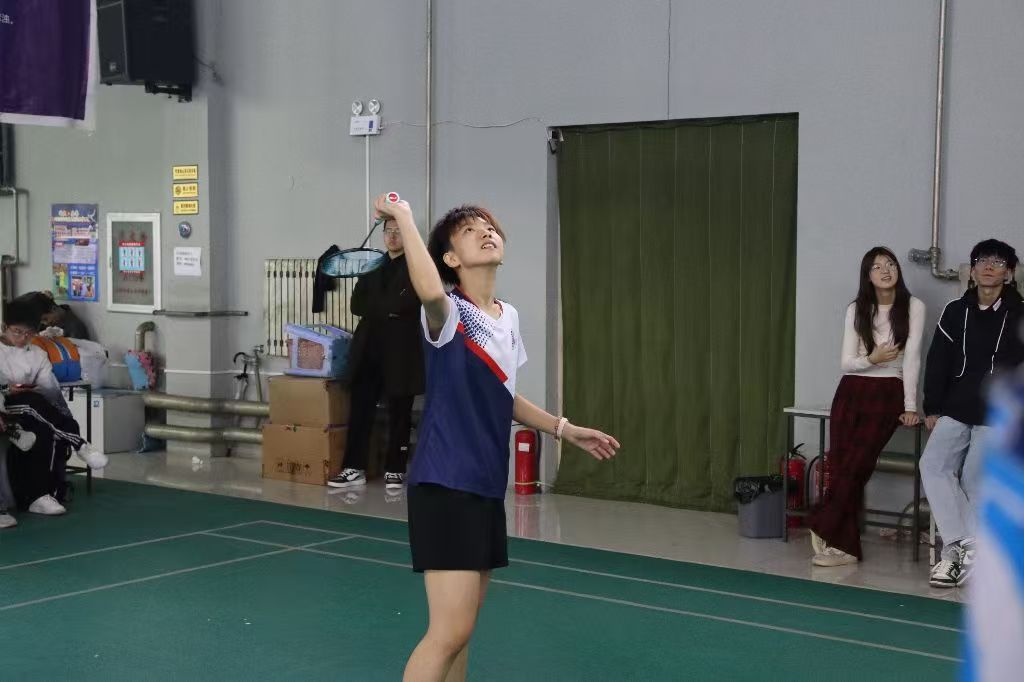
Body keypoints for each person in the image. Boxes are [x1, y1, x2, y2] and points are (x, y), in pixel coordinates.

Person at [371, 195, 619, 682]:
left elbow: (504, 393)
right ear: (451, 258)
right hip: (446, 483)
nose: (485, 231)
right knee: (447, 633)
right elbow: (428, 289)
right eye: (469, 230)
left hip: (484, 485)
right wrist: (404, 217)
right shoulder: (448, 313)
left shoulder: (508, 317)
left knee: (462, 633)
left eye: (488, 226)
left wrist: (564, 429)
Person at [807, 247, 925, 566]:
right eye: (877, 267)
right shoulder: (857, 308)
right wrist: (871, 359)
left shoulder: (913, 306)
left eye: (891, 264)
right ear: (867, 276)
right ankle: (845, 547)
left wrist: (910, 405)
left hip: (888, 391)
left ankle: (822, 520)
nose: (885, 270)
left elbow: (912, 360)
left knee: (858, 466)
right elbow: (846, 363)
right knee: (842, 466)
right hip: (850, 390)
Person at [921, 239, 1023, 588]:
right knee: (932, 465)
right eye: (982, 260)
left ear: (1009, 272)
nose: (989, 266)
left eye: (998, 262)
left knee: (973, 480)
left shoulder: (1020, 314)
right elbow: (938, 360)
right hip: (955, 407)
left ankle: (955, 558)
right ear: (973, 269)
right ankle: (970, 546)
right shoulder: (955, 310)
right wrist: (933, 406)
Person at [327, 220, 425, 492]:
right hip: (369, 346)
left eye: (398, 232)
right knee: (360, 409)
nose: (392, 237)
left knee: (400, 411)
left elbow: (410, 303)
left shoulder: (417, 266)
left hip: (401, 349)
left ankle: (395, 469)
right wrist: (389, 309)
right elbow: (357, 305)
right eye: (388, 232)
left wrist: (381, 307)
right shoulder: (372, 265)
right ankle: (353, 468)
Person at [0, 300, 107, 526]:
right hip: (5, 405)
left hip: (32, 408)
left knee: (44, 427)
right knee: (31, 403)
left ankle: (38, 496)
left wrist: (65, 417)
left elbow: (50, 389)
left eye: (29, 333)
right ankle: (80, 444)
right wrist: (7, 389)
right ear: (4, 327)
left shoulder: (38, 353)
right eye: (17, 332)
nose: (23, 338)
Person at [12, 290, 90, 339]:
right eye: (41, 321)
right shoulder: (42, 326)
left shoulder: (75, 329)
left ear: (53, 309)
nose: (45, 323)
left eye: (45, 319)